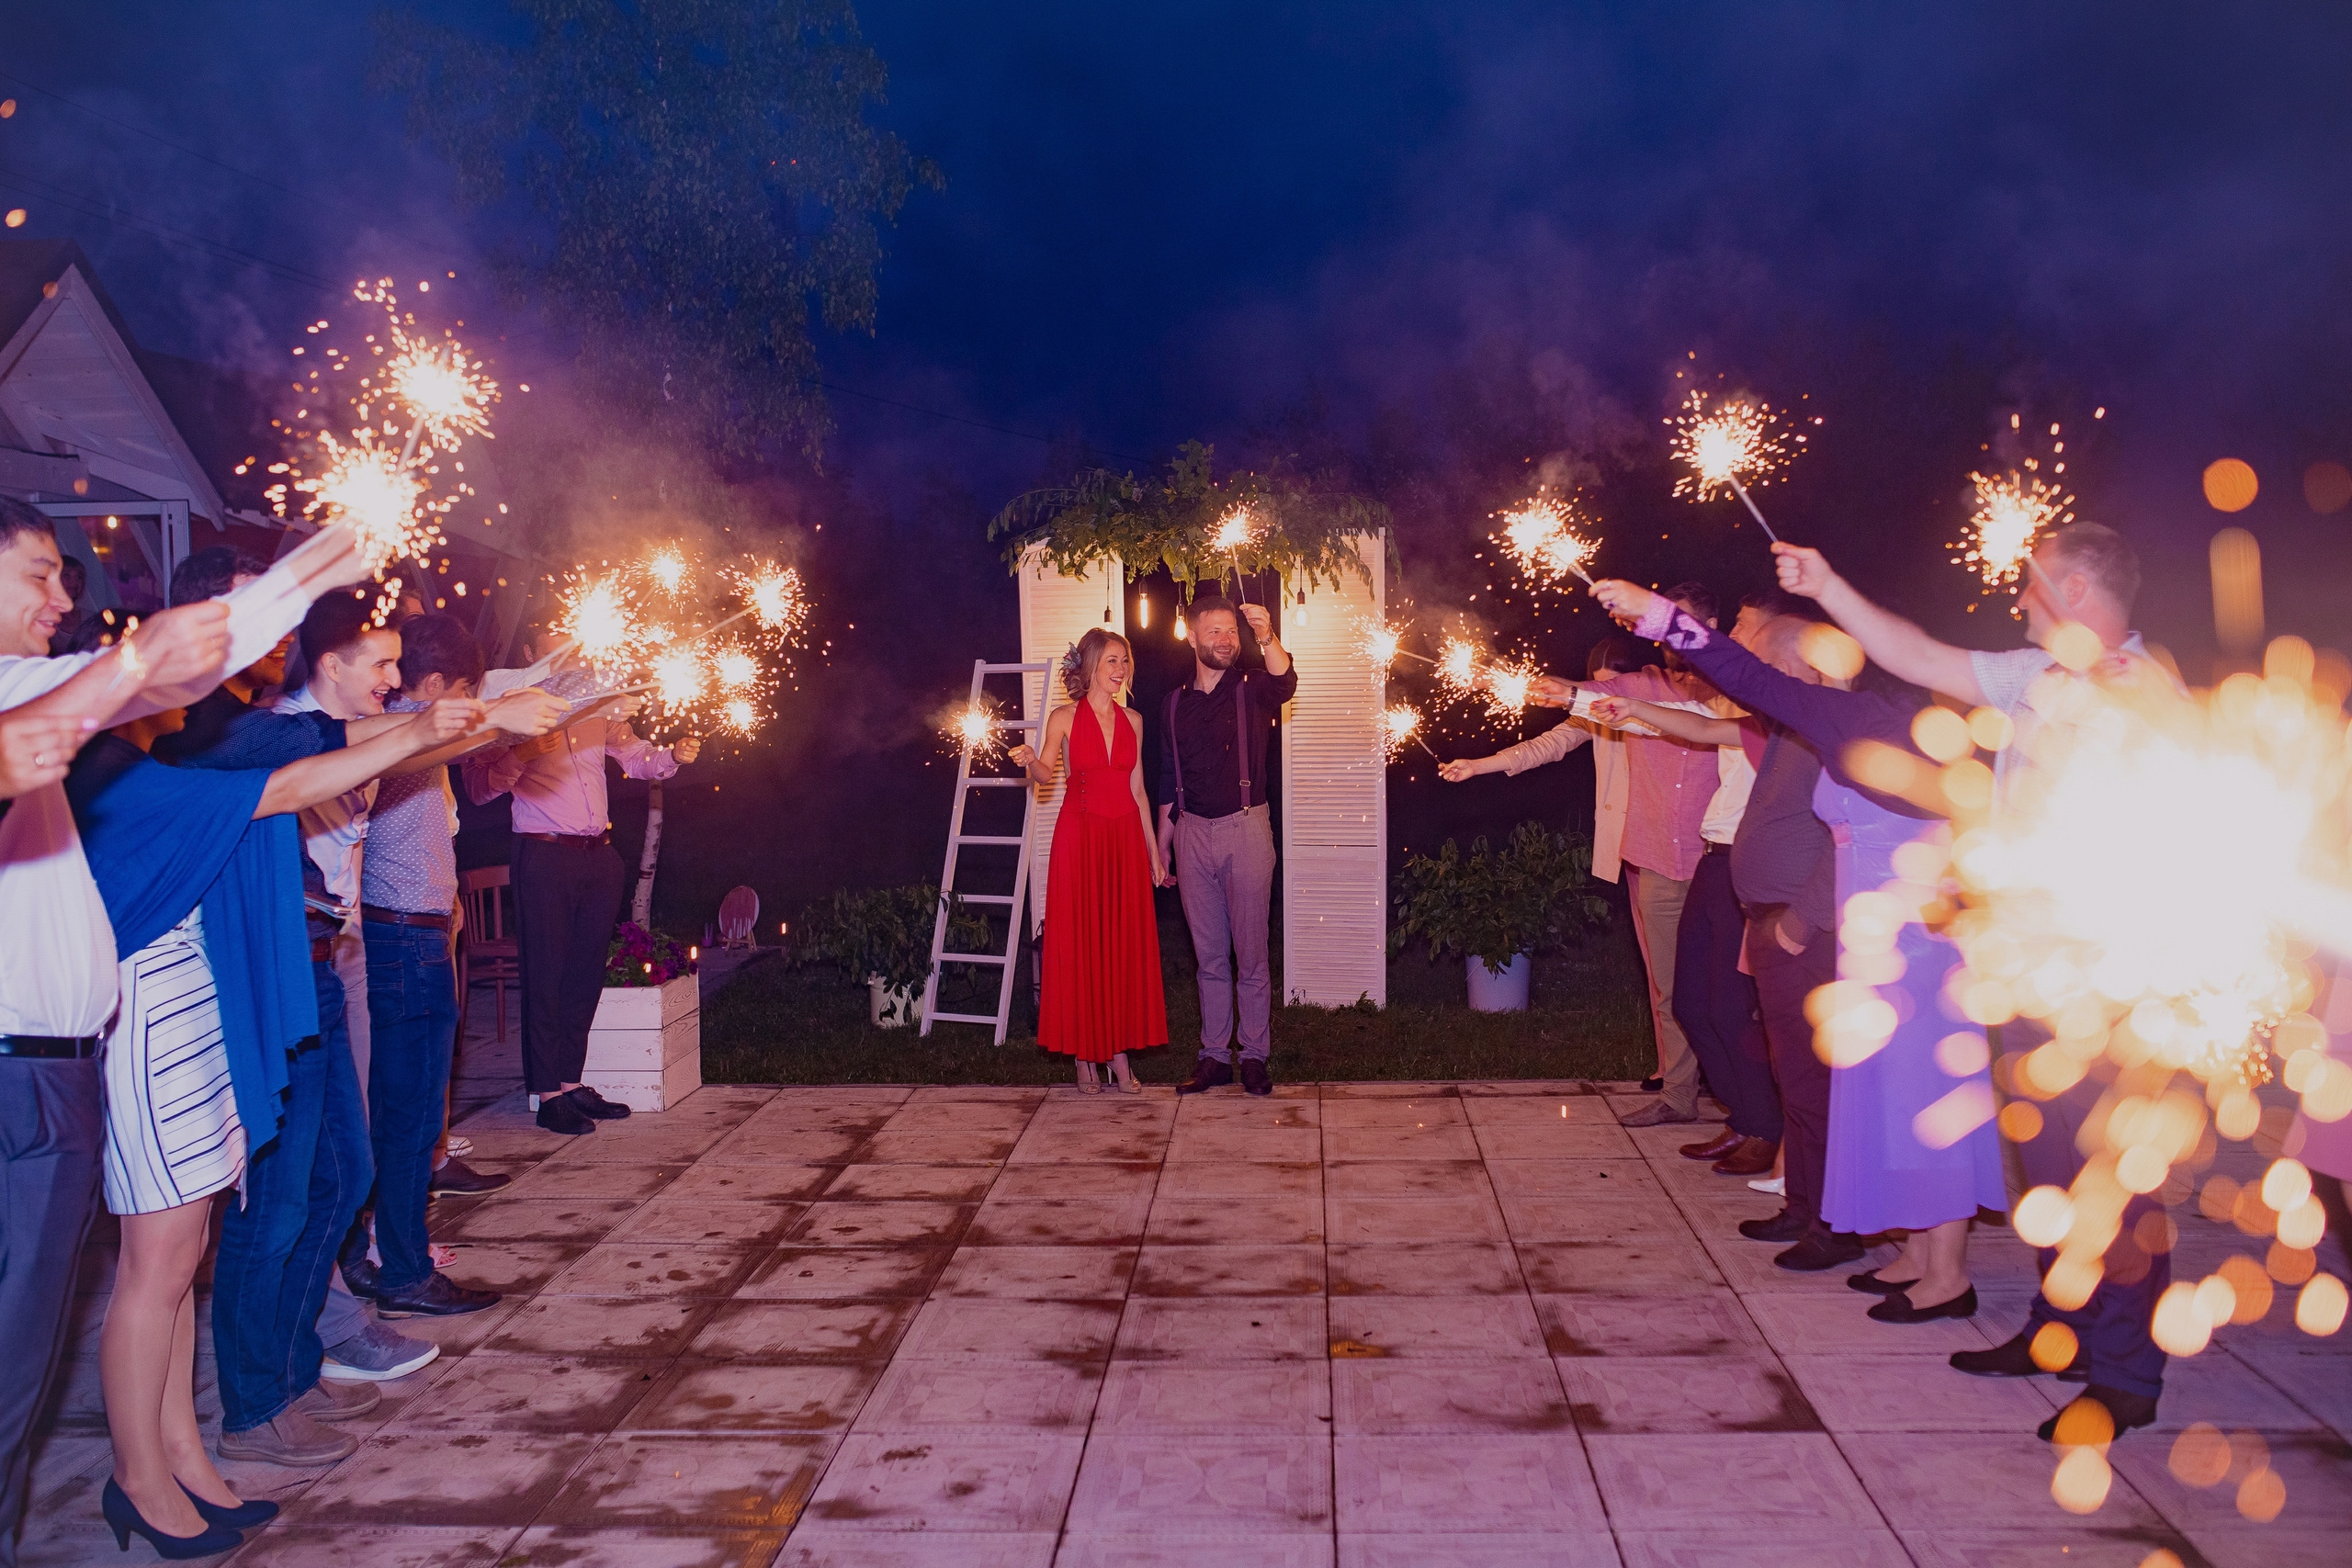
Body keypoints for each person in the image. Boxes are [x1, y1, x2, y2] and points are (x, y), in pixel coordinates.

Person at [0, 497, 370, 1568]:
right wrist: (134, 666)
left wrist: (310, 569)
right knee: (62, 1332)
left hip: (60, 1073)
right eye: (38, 574)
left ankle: (173, 1468)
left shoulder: (43, 689)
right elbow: (44, 740)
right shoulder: (62, 730)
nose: (66, 599)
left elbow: (174, 670)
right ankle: (144, 1478)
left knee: (44, 1350)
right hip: (32, 1074)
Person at [1774, 523, 2168, 1439]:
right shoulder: (2039, 678)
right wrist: (1827, 583)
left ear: (2072, 592)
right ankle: (2058, 1328)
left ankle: (2124, 1376)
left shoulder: (2140, 699)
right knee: (2048, 1170)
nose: (2017, 603)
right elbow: (1915, 652)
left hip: (2098, 983)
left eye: (2030, 588)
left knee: (2106, 1180)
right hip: (2025, 969)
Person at [67, 690, 479, 1554]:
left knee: (179, 1262)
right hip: (144, 1018)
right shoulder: (109, 775)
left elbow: (298, 756)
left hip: (181, 1009)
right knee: (154, 1268)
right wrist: (418, 731)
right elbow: (284, 787)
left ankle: (180, 1450)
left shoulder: (139, 763)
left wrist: (422, 728)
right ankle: (138, 1477)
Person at [171, 590, 565, 1462]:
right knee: (271, 1207)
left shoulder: (345, 727)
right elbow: (354, 750)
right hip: (275, 973)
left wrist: (503, 714)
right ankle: (256, 1401)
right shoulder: (274, 731)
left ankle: (296, 1369)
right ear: (333, 664)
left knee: (343, 1174)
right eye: (382, 665)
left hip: (322, 966)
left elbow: (406, 736)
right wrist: (489, 714)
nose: (394, 682)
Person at [1590, 581, 2007, 1320]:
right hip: (1872, 935)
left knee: (1918, 1097)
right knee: (1882, 1094)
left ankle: (1949, 1274)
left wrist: (1664, 620)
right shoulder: (1863, 719)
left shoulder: (1863, 720)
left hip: (1911, 939)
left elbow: (1746, 681)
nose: (1769, 684)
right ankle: (1918, 1251)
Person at [357, 613, 515, 1315]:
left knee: (418, 1111)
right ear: (430, 686)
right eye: (461, 688)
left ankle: (396, 1257)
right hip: (396, 940)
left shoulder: (406, 735)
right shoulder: (393, 736)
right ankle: (399, 1268)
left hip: (419, 933)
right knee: (405, 1112)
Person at [461, 668, 698, 1134]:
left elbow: (636, 756)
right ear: (531, 653)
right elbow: (479, 788)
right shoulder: (506, 708)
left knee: (584, 973)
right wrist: (523, 752)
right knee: (545, 973)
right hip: (545, 854)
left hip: (599, 856)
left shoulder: (596, 706)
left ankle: (571, 1084)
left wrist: (671, 755)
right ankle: (547, 1094)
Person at [1010, 628, 1169, 1092]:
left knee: (1120, 947)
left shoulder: (1134, 720)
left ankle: (1118, 1054)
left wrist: (1153, 852)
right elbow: (1043, 774)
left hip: (1122, 841)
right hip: (1079, 841)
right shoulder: (1063, 717)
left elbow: (1138, 790)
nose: (1121, 671)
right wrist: (1027, 759)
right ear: (1092, 666)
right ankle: (1084, 1056)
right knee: (1082, 946)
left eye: (1125, 662)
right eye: (1113, 662)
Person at [1156, 598, 1295, 1097]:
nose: (1225, 639)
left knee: (1251, 955)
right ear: (1191, 638)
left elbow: (1286, 681)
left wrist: (1267, 635)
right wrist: (1163, 843)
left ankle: (1254, 1055)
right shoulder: (1173, 704)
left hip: (1246, 828)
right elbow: (1170, 777)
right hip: (1192, 832)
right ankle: (1215, 1055)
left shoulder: (1251, 688)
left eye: (1231, 631)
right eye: (1214, 631)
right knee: (1210, 957)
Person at [49, 556, 85, 653]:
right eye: (66, 575)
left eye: (78, 577)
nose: (74, 581)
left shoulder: (91, 618)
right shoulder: (43, 619)